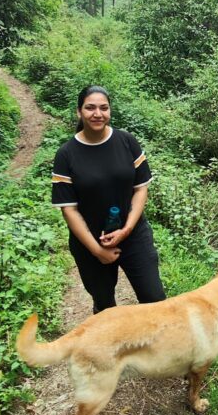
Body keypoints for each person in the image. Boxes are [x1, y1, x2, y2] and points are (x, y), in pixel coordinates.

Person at [51, 85, 166, 313]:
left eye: (104, 108)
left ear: (110, 111)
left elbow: (140, 189)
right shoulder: (66, 154)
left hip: (133, 234)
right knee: (105, 308)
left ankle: (156, 348)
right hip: (90, 242)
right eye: (90, 108)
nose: (98, 113)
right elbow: (69, 210)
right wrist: (97, 250)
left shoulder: (126, 141)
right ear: (79, 112)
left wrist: (127, 229)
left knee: (155, 301)